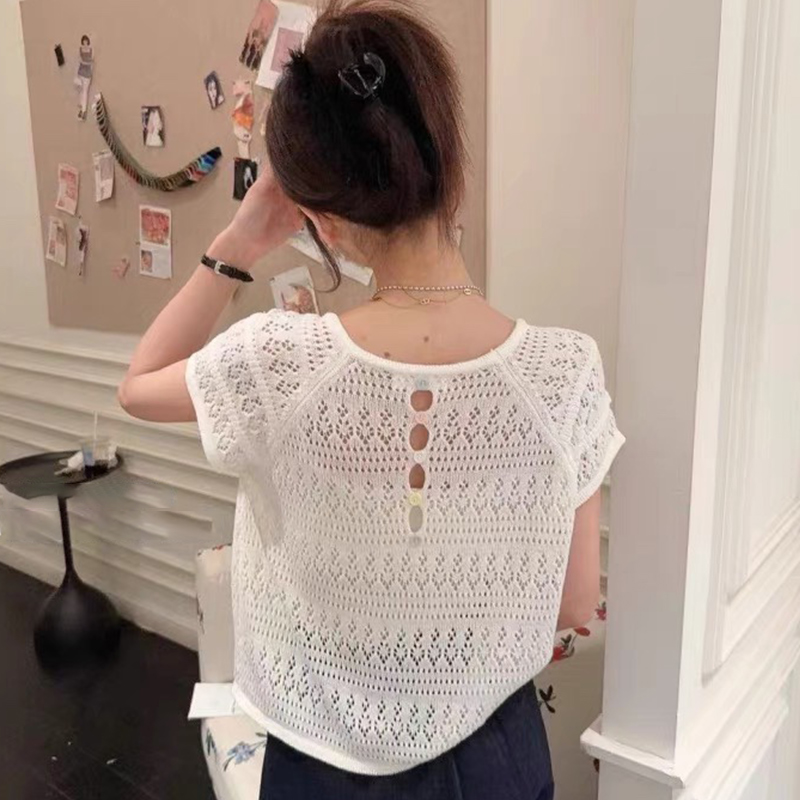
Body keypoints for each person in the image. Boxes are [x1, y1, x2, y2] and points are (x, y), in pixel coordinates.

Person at [117, 1, 625, 797]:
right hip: (495, 756)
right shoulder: (565, 371)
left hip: (321, 755)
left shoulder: (278, 363)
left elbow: (137, 387)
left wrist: (239, 241)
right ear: (451, 165)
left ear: (321, 220)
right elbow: (575, 600)